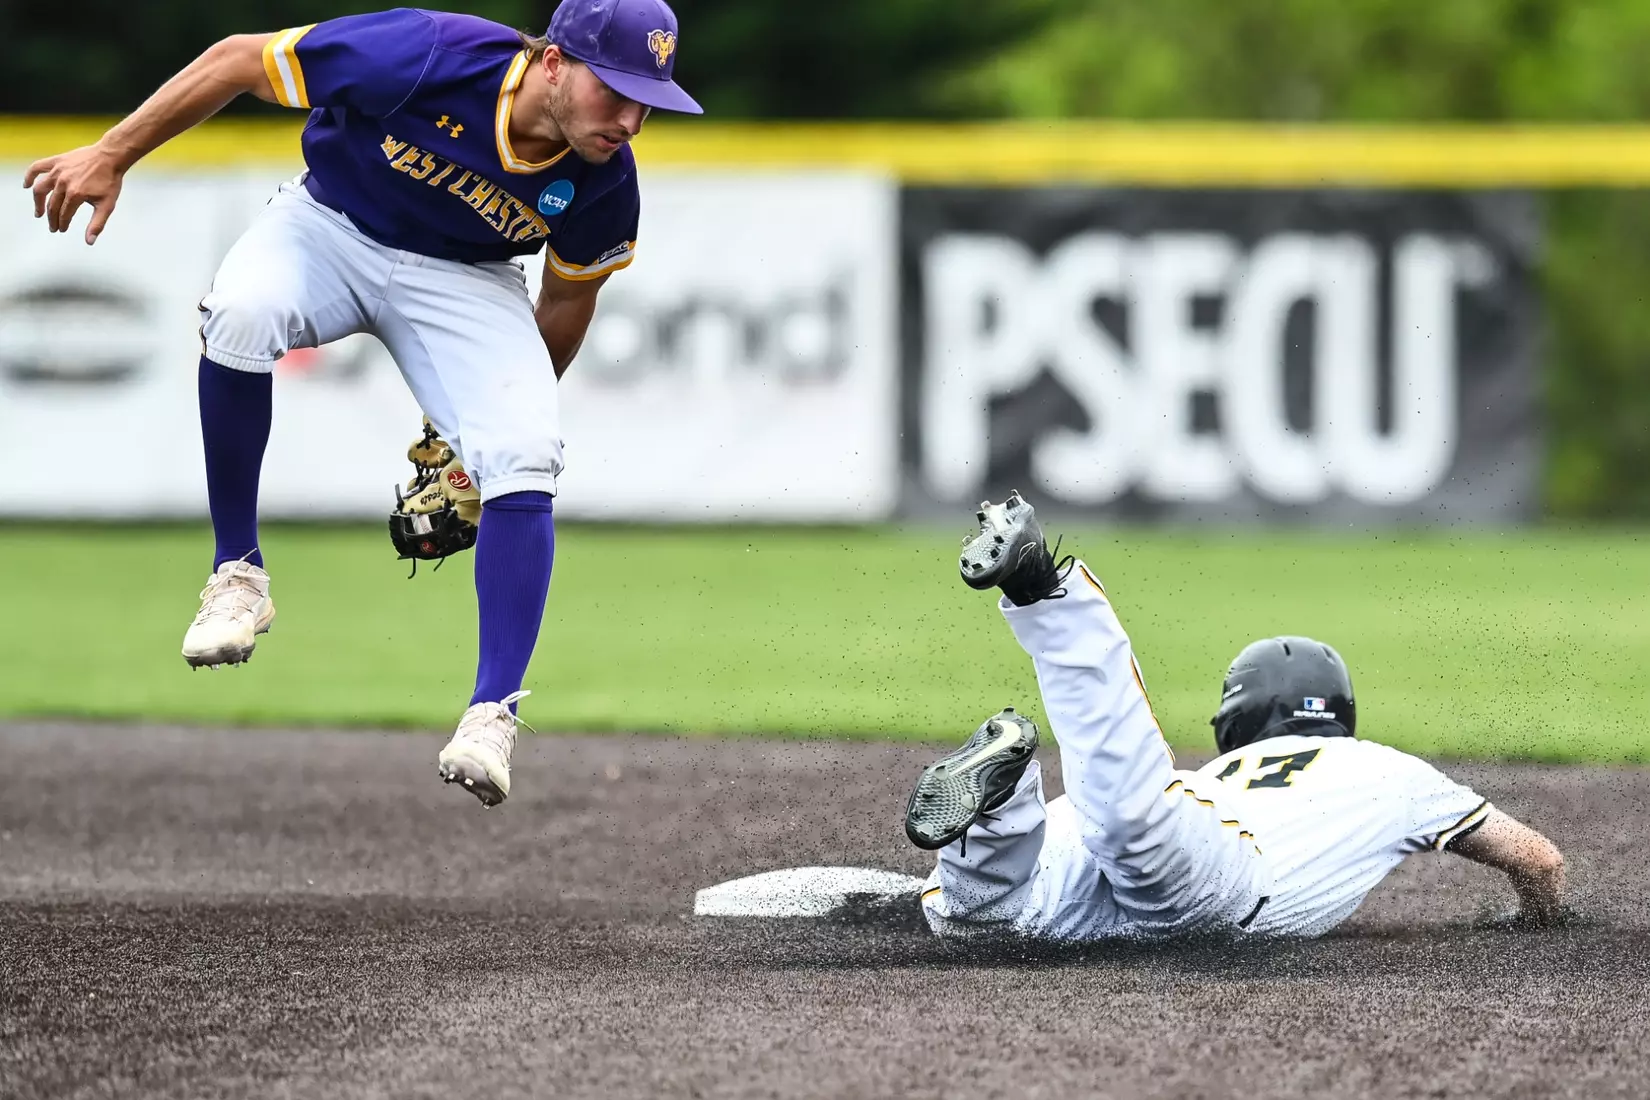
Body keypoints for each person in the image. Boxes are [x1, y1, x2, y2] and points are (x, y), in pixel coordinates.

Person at [21, 0, 702, 808]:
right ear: (553, 62)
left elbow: (563, 304)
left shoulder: (605, 181)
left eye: (647, 102)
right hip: (329, 228)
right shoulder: (429, 53)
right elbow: (238, 59)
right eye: (614, 90)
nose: (629, 119)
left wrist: (472, 449)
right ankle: (237, 574)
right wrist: (113, 153)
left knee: (526, 451)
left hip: (467, 279)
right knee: (241, 312)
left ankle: (493, 713)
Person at [904, 492, 1568, 939]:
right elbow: (1539, 861)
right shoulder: (1392, 770)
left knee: (980, 918)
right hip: (1223, 873)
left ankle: (1005, 809)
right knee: (1130, 825)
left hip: (1167, 820)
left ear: (1239, 720)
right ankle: (1042, 591)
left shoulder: (1221, 772)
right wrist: (1541, 921)